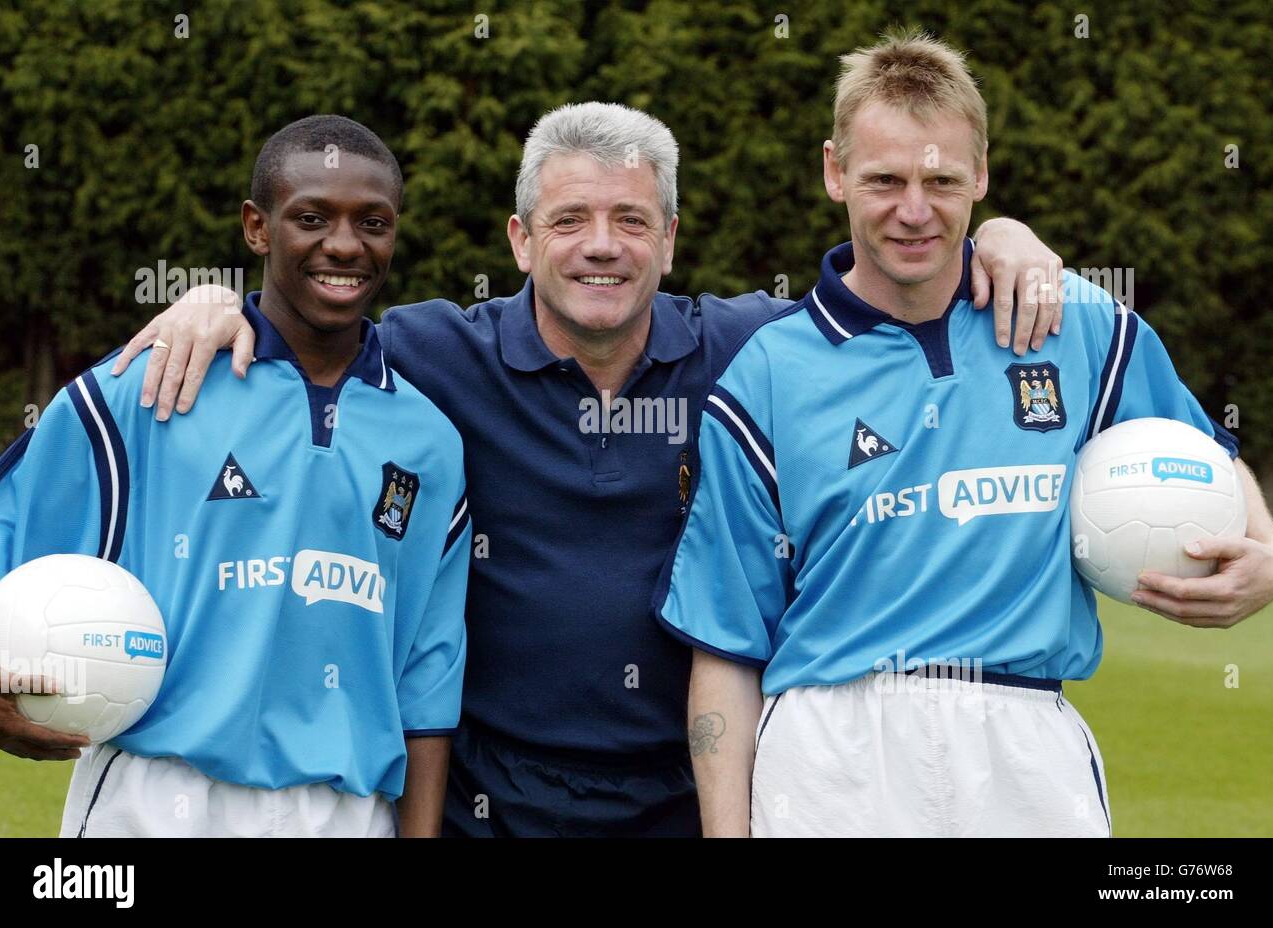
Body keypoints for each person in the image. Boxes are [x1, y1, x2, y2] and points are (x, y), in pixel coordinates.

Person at [112, 102, 1068, 837]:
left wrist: (998, 236)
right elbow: (309, 315)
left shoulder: (753, 351)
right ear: (521, 240)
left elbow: (886, 286)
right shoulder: (431, 355)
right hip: (489, 804)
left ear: (671, 239)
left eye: (630, 219)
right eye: (570, 219)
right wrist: (216, 300)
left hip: (688, 799)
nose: (602, 245)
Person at [655, 31, 1273, 838]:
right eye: (884, 179)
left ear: (981, 175)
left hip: (1026, 748)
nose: (914, 210)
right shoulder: (767, 376)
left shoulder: (1077, 323)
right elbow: (727, 650)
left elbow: (1207, 456)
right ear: (833, 170)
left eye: (942, 180)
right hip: (829, 759)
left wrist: (1268, 553)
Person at [0, 115, 471, 837]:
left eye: (373, 222)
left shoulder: (430, 441)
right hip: (153, 798)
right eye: (311, 217)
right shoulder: (147, 389)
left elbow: (426, 683)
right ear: (257, 227)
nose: (344, 243)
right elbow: (3, 524)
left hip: (344, 814)